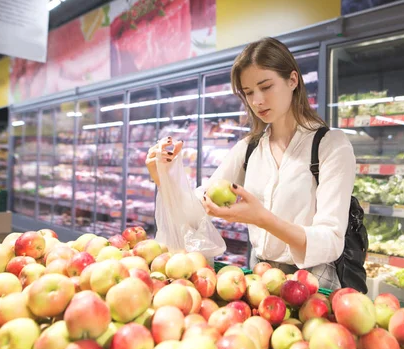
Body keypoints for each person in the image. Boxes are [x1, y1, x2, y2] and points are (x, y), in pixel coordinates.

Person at [146, 37, 356, 289]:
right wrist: (165, 176)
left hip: (311, 283)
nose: (257, 101)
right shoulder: (250, 147)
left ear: (292, 80)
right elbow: (197, 209)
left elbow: (331, 241)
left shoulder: (330, 145)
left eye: (266, 87)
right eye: (248, 93)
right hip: (259, 278)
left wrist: (262, 219)